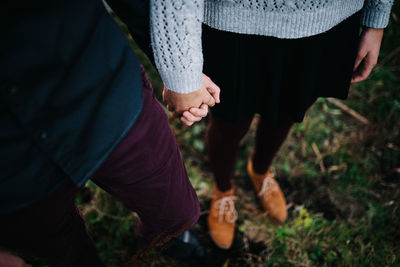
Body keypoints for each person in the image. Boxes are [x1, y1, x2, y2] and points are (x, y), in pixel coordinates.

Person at [149, 0, 394, 249]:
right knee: (229, 123)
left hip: (327, 23)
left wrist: (376, 19)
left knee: (287, 114)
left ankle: (260, 170)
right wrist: (179, 67)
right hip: (235, 23)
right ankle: (223, 189)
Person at [0, 0, 219, 265]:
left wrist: (180, 72)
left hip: (100, 89)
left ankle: (161, 238)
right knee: (66, 254)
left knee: (178, 212)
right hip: (10, 162)